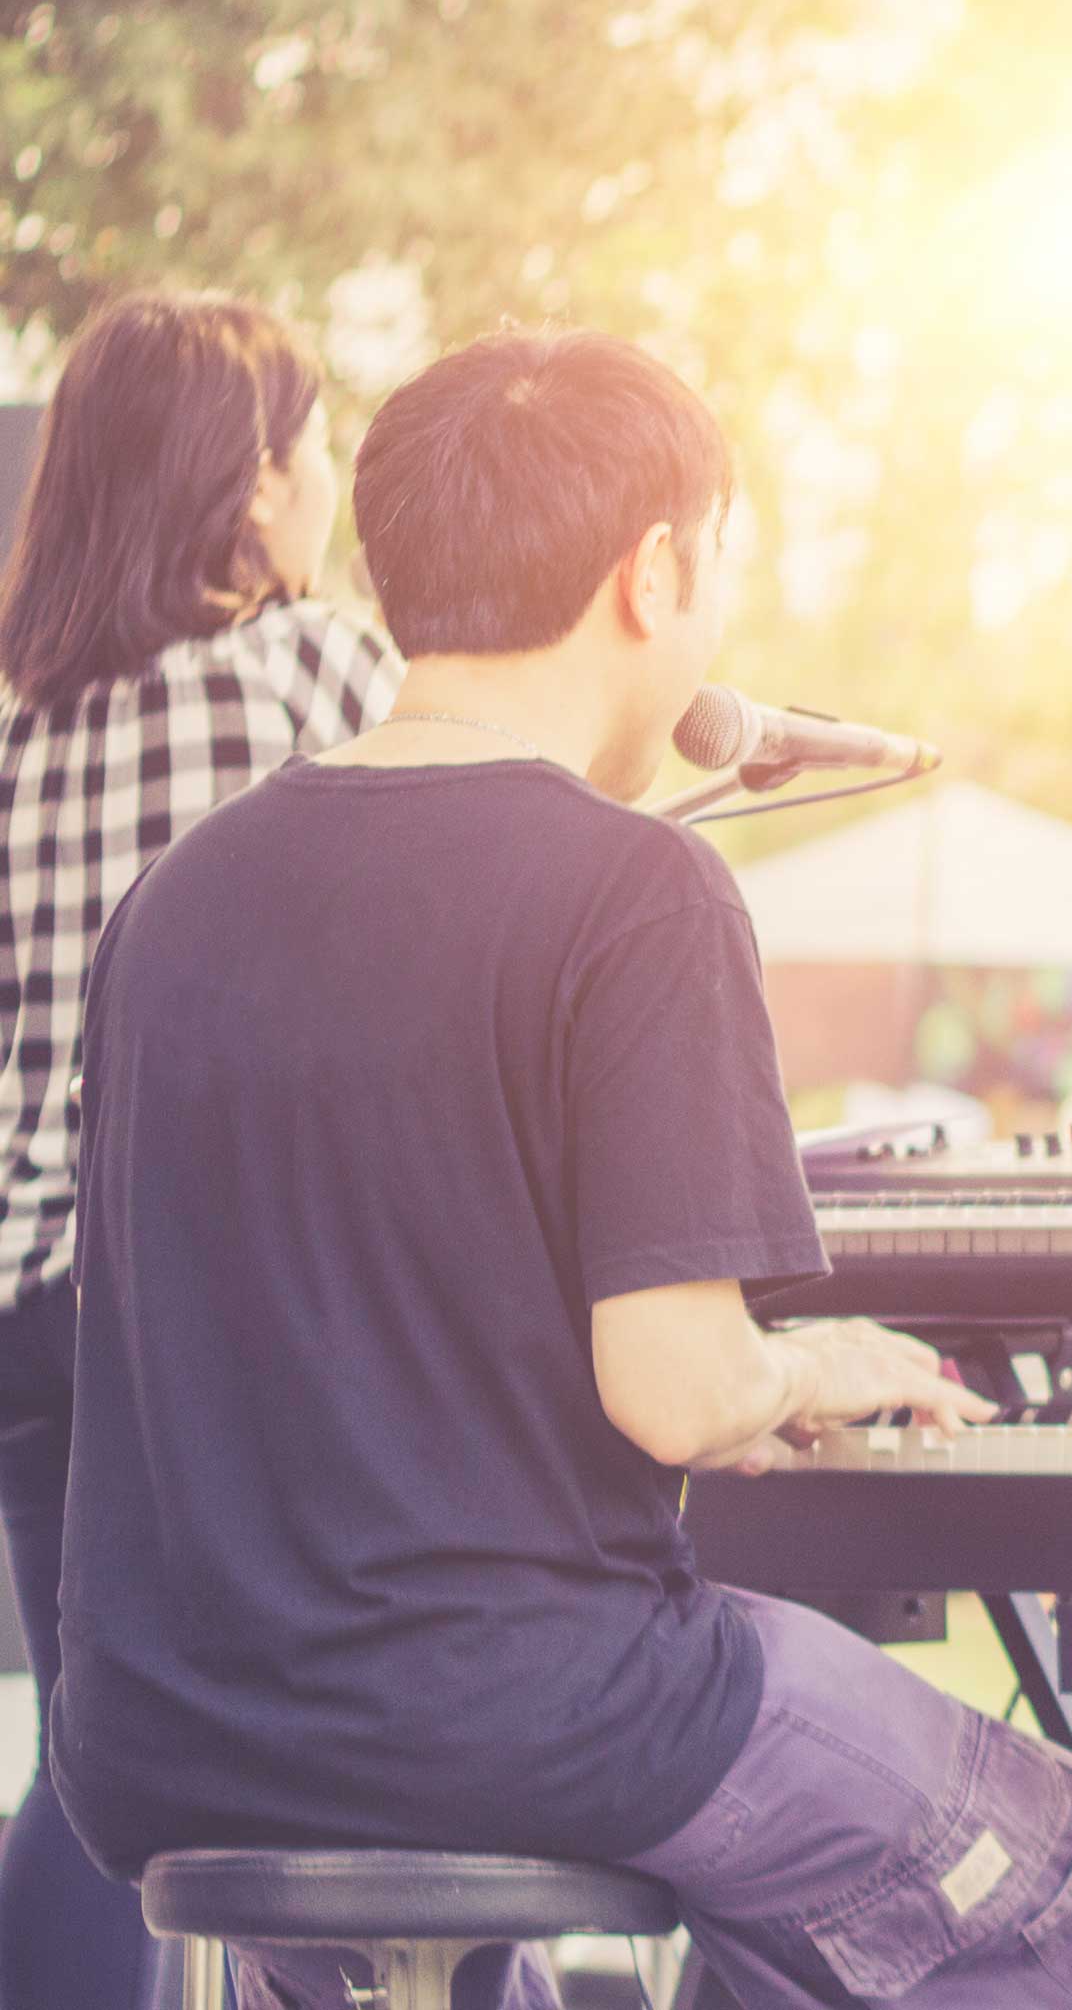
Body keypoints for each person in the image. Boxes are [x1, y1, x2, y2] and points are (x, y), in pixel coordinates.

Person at [50, 328, 1072, 2010]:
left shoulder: (176, 907)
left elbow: (317, 1331)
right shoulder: (634, 891)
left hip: (177, 1735)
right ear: (656, 569)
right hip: (518, 1711)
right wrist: (807, 1367)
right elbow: (678, 1396)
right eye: (718, 571)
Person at [0, 291, 400, 2009]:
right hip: (232, 1321)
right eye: (316, 451)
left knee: (104, 1776)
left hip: (35, 1316)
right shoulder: (317, 670)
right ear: (251, 488)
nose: (328, 491)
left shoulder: (14, 744)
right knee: (310, 1763)